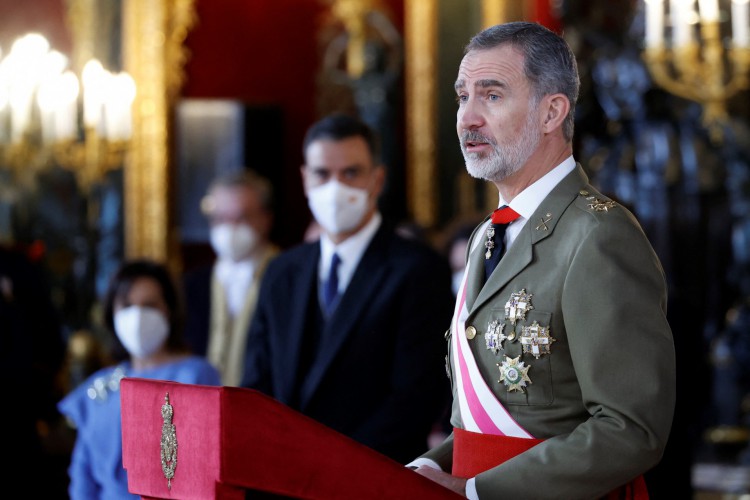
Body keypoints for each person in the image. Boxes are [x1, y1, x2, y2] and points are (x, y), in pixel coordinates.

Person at [407, 22, 676, 499]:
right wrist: (429, 467)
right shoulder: (488, 234)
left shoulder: (598, 235)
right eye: (461, 96)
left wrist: (476, 491)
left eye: (491, 96)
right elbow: (488, 420)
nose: (467, 118)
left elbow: (630, 429)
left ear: (552, 111)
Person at [241, 113, 454, 464]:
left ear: (378, 179)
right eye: (322, 174)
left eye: (351, 173)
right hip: (283, 473)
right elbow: (257, 381)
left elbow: (414, 397)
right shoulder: (281, 271)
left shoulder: (418, 268)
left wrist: (331, 465)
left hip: (372, 475)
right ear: (305, 179)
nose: (335, 188)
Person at [58, 259, 221, 499]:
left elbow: (204, 471)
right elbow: (83, 474)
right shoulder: (101, 385)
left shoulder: (195, 375)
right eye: (127, 305)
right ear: (111, 313)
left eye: (150, 305)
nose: (138, 315)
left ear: (169, 310)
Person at [183, 169, 279, 386]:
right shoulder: (193, 283)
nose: (230, 227)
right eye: (221, 218)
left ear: (266, 219)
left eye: (242, 217)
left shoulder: (289, 276)